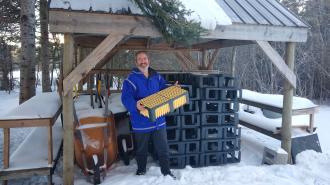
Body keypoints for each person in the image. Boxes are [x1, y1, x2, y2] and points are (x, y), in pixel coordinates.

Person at [121, 51, 176, 178]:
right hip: (141, 121)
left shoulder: (156, 76)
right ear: (136, 62)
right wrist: (135, 105)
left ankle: (166, 171)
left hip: (158, 119)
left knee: (163, 147)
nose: (143, 61)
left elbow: (163, 89)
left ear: (148, 60)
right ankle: (141, 170)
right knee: (141, 149)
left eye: (144, 58)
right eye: (140, 59)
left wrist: (172, 88)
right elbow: (126, 98)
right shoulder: (130, 80)